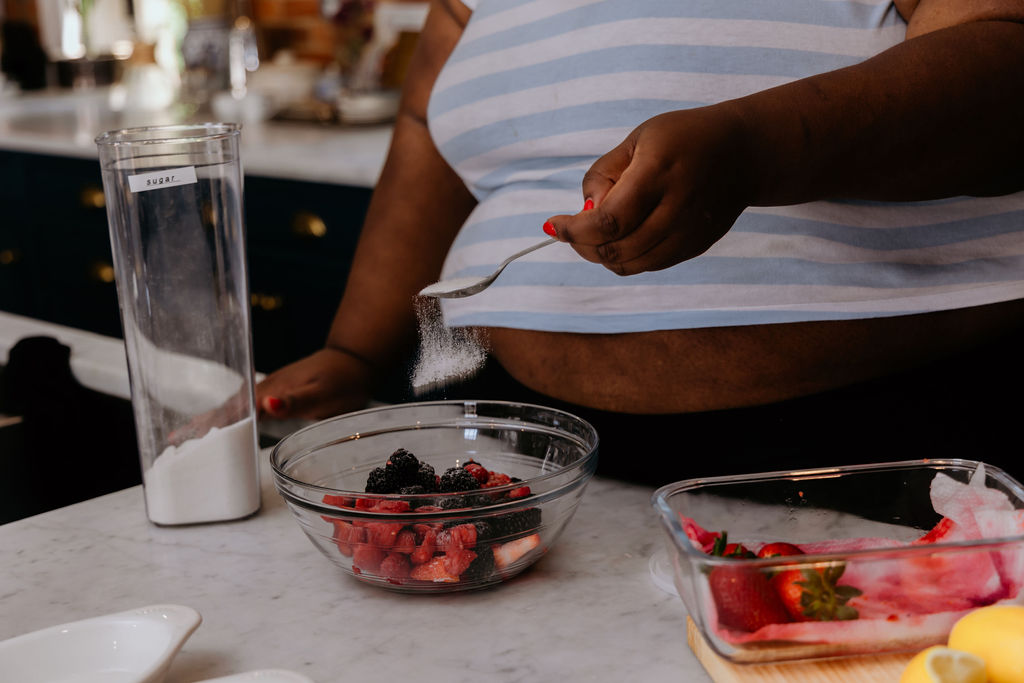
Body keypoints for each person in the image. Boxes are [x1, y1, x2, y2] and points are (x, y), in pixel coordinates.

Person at [256, 0, 1024, 485]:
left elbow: (1004, 57)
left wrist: (758, 146)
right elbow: (426, 127)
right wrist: (355, 350)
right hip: (516, 455)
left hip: (881, 451)